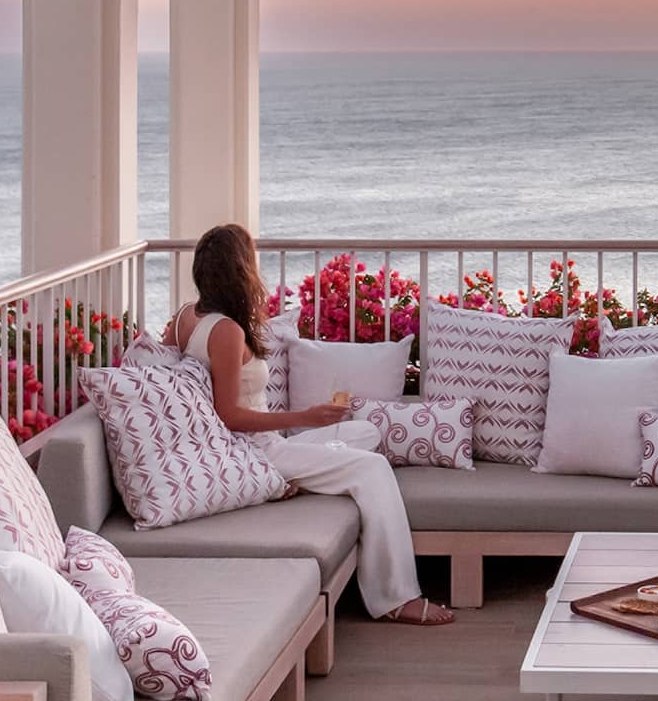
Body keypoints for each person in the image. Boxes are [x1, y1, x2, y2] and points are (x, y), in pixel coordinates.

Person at [166, 222, 451, 627]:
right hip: (257, 453)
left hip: (266, 445)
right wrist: (305, 417)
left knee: (365, 431)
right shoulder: (226, 331)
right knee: (372, 468)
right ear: (240, 269)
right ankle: (396, 597)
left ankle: (295, 479)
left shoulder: (184, 318)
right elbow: (229, 415)